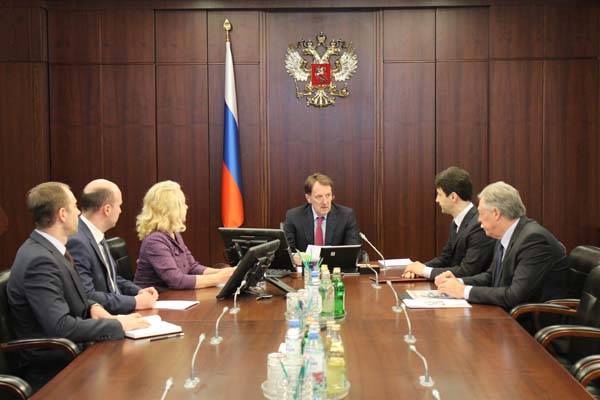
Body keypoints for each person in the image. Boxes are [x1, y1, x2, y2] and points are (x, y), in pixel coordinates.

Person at [7, 182, 148, 388]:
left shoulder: (52, 249)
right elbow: (61, 326)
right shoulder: (39, 260)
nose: (79, 212)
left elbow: (70, 295)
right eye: (74, 206)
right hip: (55, 367)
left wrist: (93, 307)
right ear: (62, 214)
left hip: (75, 351)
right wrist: (118, 324)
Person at [435, 181, 568, 310]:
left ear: (496, 213)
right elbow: (491, 276)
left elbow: (515, 295)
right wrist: (458, 282)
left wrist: (463, 291)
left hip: (532, 319)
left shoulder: (533, 240)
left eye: (481, 213)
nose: (478, 219)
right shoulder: (505, 234)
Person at [67, 179, 158, 314]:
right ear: (107, 209)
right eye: (119, 205)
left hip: (118, 312)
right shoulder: (77, 241)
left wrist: (138, 291)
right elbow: (87, 295)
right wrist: (135, 302)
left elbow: (111, 279)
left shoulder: (95, 234)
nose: (120, 211)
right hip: (103, 318)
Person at [134, 181, 234, 290]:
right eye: (182, 204)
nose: (186, 207)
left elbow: (192, 267)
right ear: (170, 209)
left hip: (173, 296)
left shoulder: (174, 233)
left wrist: (225, 272)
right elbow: (177, 281)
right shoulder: (154, 241)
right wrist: (219, 278)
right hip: (157, 297)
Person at [402, 167, 495, 280]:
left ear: (453, 197)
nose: (436, 200)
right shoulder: (456, 222)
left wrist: (424, 270)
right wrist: (417, 268)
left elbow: (468, 271)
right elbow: (446, 259)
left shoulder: (478, 225)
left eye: (439, 194)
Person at [283, 173, 360, 265]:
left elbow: (353, 251)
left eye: (328, 195)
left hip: (334, 269)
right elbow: (287, 252)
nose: (325, 202)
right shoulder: (294, 216)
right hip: (306, 270)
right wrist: (294, 257)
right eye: (319, 197)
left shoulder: (346, 216)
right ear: (308, 198)